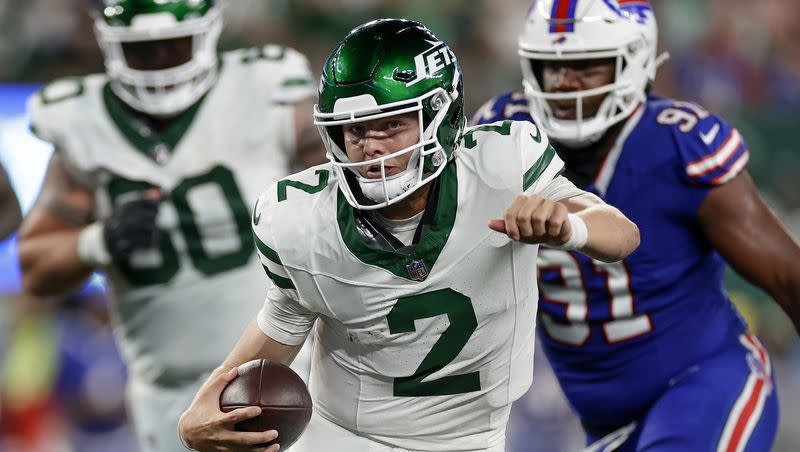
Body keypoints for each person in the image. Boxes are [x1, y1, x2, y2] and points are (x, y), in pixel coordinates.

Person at [177, 18, 639, 452]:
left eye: (393, 124)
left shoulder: (504, 165)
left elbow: (622, 236)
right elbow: (283, 321)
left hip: (476, 439)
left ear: (442, 115)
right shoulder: (299, 219)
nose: (372, 145)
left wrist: (569, 225)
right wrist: (199, 415)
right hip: (344, 439)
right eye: (355, 130)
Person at [473, 1, 800, 450]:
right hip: (606, 427)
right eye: (551, 67)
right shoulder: (503, 134)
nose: (564, 84)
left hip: (705, 387)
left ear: (635, 63)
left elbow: (788, 275)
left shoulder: (676, 144)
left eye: (586, 67)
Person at [18, 1, 325, 450]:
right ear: (109, 42)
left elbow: (346, 197)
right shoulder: (81, 121)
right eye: (144, 51)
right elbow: (34, 267)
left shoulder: (265, 90)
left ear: (207, 33)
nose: (160, 63)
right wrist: (96, 241)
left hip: (290, 374)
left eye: (173, 47)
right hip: (168, 393)